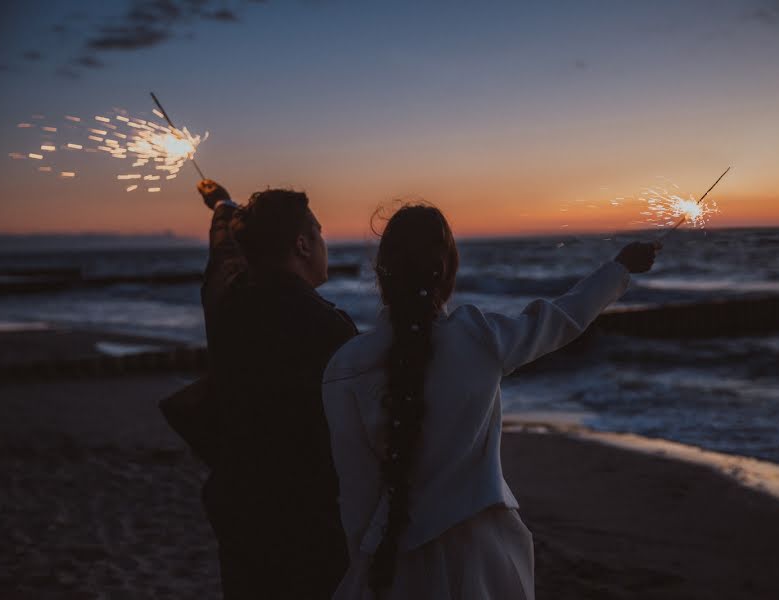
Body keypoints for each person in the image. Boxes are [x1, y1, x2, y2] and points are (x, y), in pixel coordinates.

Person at [322, 204, 659, 599]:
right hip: (484, 556)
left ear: (381, 272)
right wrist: (619, 269)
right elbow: (562, 319)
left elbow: (356, 492)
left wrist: (366, 566)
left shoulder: (345, 366)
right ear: (448, 270)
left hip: (393, 561)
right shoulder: (478, 338)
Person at [196, 179, 358, 599]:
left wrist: (222, 206)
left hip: (239, 508)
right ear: (303, 245)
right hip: (306, 522)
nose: (325, 242)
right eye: (319, 232)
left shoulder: (226, 301)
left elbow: (224, 252)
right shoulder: (329, 328)